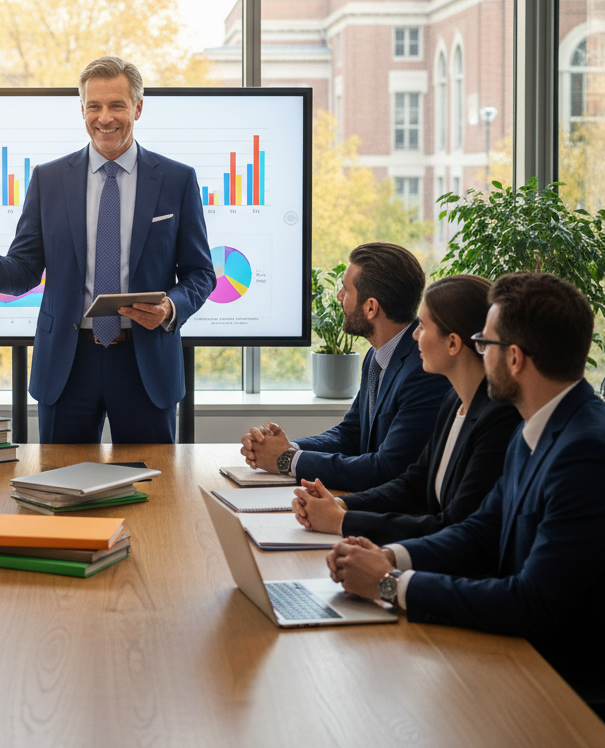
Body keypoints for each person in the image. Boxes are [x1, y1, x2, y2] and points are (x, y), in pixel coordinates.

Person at [326, 272, 605, 713]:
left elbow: (531, 602)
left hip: (558, 688)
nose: (479, 351)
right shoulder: (537, 426)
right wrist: (390, 558)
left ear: (513, 358)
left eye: (485, 342)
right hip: (513, 655)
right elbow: (478, 531)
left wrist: (388, 583)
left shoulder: (584, 450)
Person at [0, 56, 215, 443]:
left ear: (138, 108)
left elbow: (200, 273)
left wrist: (170, 307)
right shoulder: (49, 179)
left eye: (116, 106)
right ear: (82, 109)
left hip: (146, 365)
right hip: (68, 364)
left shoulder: (177, 179)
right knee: (62, 491)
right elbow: (24, 270)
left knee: (155, 490)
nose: (104, 118)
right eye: (94, 106)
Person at [292, 275, 520, 542]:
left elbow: (453, 525)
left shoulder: (499, 417)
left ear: (453, 343)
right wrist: (341, 506)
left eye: (422, 326)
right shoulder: (454, 401)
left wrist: (343, 521)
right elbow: (413, 483)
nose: (414, 334)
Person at [241, 243, 449, 491]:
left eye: (346, 289)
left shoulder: (424, 371)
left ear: (371, 307)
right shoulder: (376, 356)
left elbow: (387, 469)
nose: (339, 296)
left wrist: (287, 460)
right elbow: (351, 433)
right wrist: (286, 449)